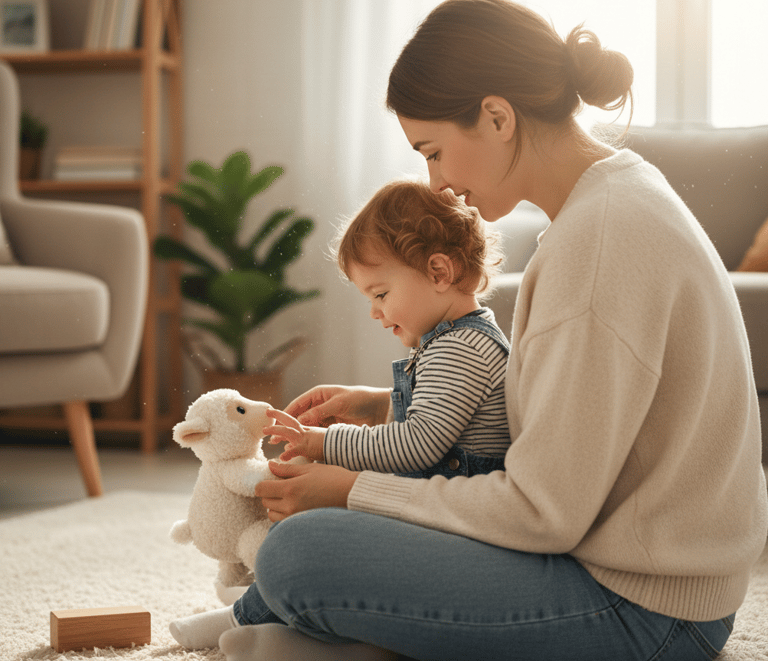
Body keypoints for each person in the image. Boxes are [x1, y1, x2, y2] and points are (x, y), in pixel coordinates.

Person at [188, 1, 768, 659]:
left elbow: (541, 511)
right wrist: (384, 406)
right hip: (664, 583)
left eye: (433, 151)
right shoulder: (616, 199)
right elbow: (566, 414)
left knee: (297, 552)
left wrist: (354, 486)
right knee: (329, 524)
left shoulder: (597, 242)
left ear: (497, 116)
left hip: (643, 610)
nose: (437, 182)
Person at [267, 178, 511, 481]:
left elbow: (416, 444)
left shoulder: (460, 348)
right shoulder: (456, 340)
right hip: (437, 502)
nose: (374, 311)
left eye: (380, 295)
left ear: (438, 273)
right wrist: (371, 402)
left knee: (301, 526)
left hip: (455, 517)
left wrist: (323, 443)